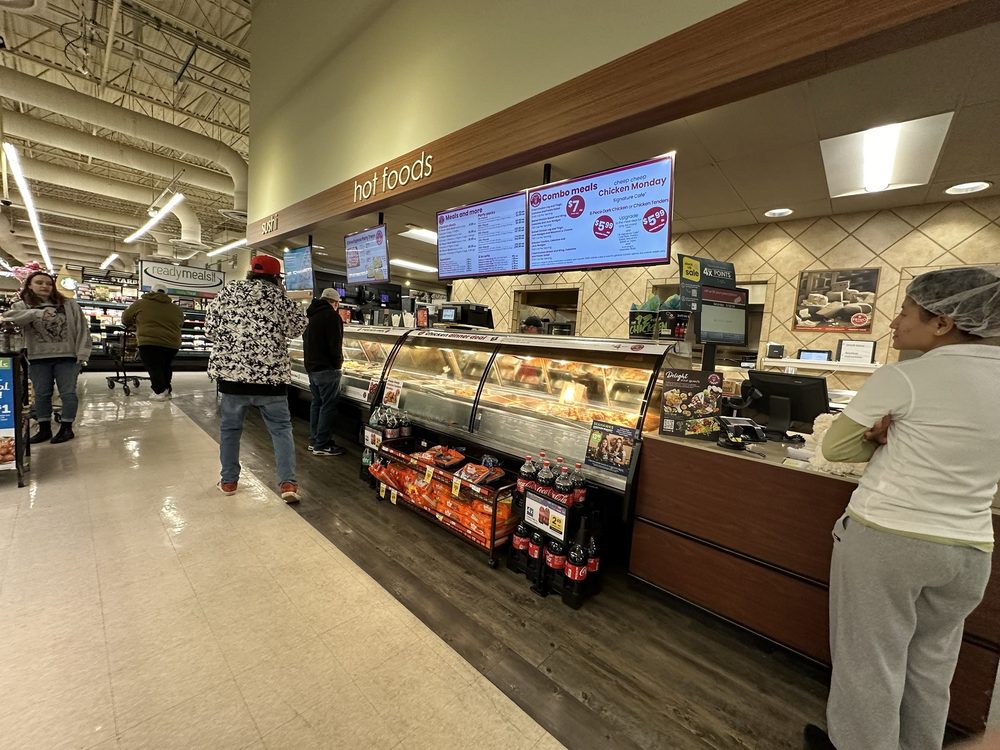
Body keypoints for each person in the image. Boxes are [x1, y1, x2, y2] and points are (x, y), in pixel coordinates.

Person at [806, 267, 1000, 750]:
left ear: (943, 322)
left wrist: (878, 441)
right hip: (970, 551)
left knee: (869, 664)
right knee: (932, 667)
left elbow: (835, 447)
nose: (894, 321)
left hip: (888, 538)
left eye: (906, 312)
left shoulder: (904, 375)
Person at [205, 255, 307, 503]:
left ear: (251, 272)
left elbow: (210, 329)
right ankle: (288, 483)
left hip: (233, 378)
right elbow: (298, 327)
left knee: (230, 430)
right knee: (281, 430)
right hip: (271, 379)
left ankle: (229, 482)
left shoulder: (229, 292)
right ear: (276, 277)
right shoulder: (280, 299)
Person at [2, 270, 91, 444]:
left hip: (68, 356)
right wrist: (35, 313)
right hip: (37, 357)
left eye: (49, 283)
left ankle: (67, 427)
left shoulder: (69, 304)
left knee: (68, 393)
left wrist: (83, 353)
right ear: (29, 285)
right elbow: (10, 318)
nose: (45, 286)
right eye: (39, 282)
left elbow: (82, 328)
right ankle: (44, 428)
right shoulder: (22, 305)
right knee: (42, 394)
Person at [303, 287, 346, 456]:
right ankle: (322, 445)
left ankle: (314, 441)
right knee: (328, 406)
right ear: (335, 303)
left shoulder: (311, 315)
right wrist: (338, 364)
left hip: (312, 368)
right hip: (327, 369)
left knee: (317, 404)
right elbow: (335, 344)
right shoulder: (332, 317)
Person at [122, 282, 183, 400]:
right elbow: (180, 323)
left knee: (154, 367)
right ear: (166, 294)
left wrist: (136, 323)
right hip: (172, 343)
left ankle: (159, 392)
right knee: (165, 366)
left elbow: (125, 318)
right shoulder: (176, 308)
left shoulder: (140, 303)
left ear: (151, 292)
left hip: (149, 341)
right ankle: (166, 389)